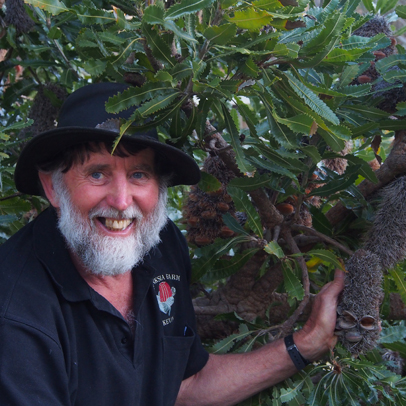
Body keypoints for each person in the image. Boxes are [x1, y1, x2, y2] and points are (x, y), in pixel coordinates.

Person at [0, 82, 344, 406]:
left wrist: (307, 342)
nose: (122, 201)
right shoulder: (15, 315)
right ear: (51, 187)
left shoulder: (162, 246)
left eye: (139, 175)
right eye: (97, 174)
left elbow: (184, 386)